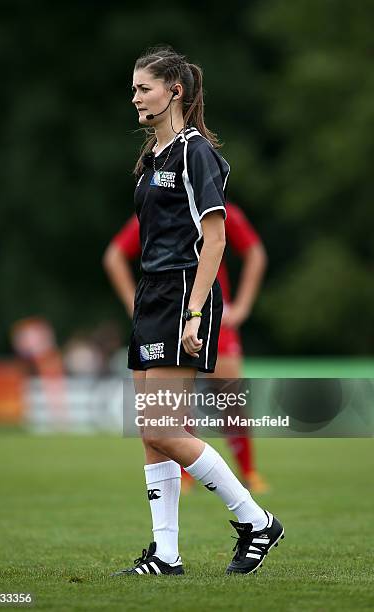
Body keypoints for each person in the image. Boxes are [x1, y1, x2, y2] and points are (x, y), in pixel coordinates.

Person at [109, 46, 283, 577]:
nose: (136, 96)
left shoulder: (194, 152)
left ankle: (256, 521)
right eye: (135, 87)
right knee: (149, 429)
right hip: (152, 293)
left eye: (145, 87)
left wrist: (195, 311)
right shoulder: (153, 158)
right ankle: (166, 554)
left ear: (174, 91)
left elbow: (216, 236)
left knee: (164, 428)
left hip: (184, 293)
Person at [104, 205, 270, 494]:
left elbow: (255, 252)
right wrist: (137, 306)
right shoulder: (156, 206)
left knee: (231, 395)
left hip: (212, 314)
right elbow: (114, 255)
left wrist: (242, 306)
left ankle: (248, 471)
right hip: (169, 315)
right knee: (172, 405)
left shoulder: (217, 209)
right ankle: (184, 475)